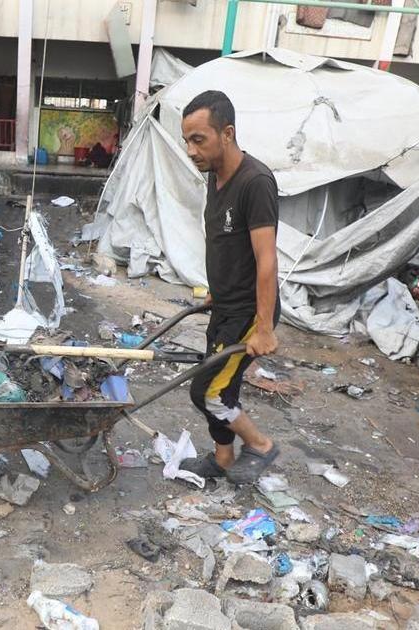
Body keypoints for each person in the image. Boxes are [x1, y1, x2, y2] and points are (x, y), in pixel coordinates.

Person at [174, 90, 281, 485]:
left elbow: (266, 260)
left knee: (208, 391)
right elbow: (225, 242)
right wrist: (218, 288)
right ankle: (222, 458)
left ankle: (261, 445)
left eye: (198, 139)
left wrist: (264, 327)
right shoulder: (214, 176)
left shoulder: (255, 182)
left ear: (227, 133)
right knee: (219, 383)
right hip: (226, 305)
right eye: (187, 140)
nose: (191, 150)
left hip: (249, 313)